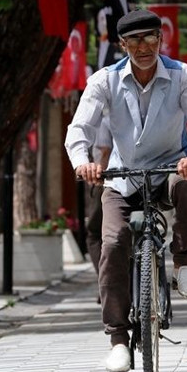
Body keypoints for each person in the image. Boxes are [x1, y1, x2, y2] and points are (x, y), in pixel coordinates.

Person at [64, 9, 187, 372]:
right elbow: (79, 129)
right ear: (121, 45)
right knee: (114, 243)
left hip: (170, 168)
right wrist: (82, 163)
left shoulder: (184, 76)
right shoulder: (105, 81)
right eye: (134, 40)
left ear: (161, 39)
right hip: (122, 176)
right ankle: (118, 338)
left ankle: (182, 262)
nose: (144, 46)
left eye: (151, 37)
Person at [85, 116, 113, 278]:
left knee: (94, 233)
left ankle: (106, 281)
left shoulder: (104, 121)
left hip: (106, 181)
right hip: (133, 179)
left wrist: (99, 178)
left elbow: (105, 151)